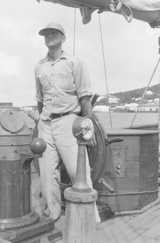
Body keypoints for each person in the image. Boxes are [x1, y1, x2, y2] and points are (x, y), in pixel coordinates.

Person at [34, 22, 100, 222]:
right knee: (46, 173)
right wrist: (41, 123)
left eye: (55, 33)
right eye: (46, 33)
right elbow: (39, 99)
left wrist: (88, 128)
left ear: (63, 38)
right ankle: (52, 213)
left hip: (69, 123)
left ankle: (90, 217)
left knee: (78, 171)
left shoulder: (75, 63)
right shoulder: (39, 66)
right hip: (45, 124)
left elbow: (85, 98)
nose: (50, 36)